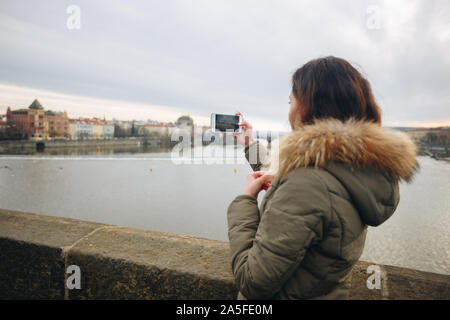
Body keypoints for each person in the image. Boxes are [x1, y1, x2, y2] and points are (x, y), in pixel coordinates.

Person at [227, 56, 418, 300]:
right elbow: (302, 179)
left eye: (291, 101)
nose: (289, 112)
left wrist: (244, 202)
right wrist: (250, 144)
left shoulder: (307, 185)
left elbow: (252, 281)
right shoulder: (357, 167)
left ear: (308, 107)